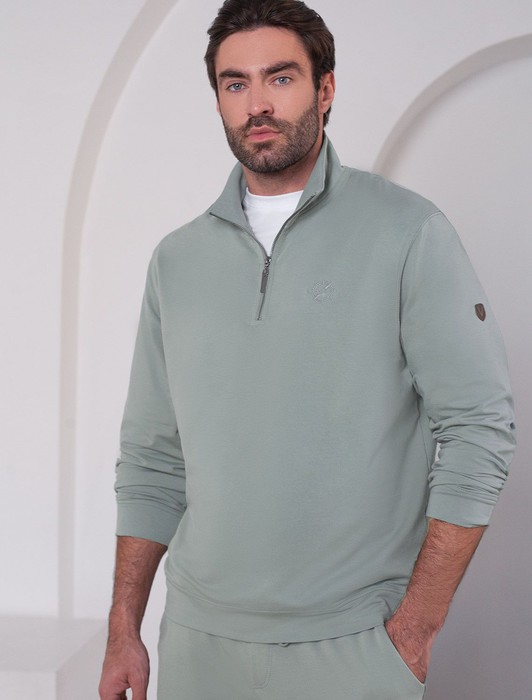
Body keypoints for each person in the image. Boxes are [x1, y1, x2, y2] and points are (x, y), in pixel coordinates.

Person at [99, 1, 516, 698]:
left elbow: (480, 427)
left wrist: (416, 629)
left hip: (354, 648)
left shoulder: (409, 232)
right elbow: (151, 458)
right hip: (199, 646)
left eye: (281, 77)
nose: (257, 103)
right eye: (235, 84)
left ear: (324, 89)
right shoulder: (177, 260)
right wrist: (123, 630)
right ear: (218, 100)